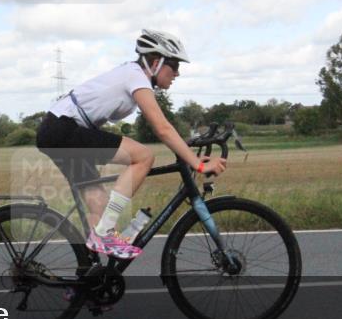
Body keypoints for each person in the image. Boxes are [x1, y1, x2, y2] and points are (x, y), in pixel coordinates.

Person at [36, 29, 227, 260]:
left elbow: (164, 129)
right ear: (156, 63)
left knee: (100, 207)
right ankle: (104, 234)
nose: (177, 73)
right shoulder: (135, 76)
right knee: (143, 156)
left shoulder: (132, 75)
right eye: (174, 66)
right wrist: (197, 164)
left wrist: (190, 152)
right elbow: (162, 128)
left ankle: (87, 279)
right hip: (62, 129)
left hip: (61, 130)